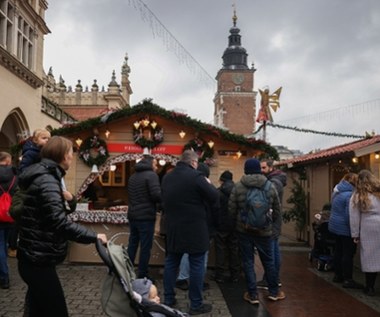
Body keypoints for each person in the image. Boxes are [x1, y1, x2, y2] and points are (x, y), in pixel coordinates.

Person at [16, 136, 107, 317]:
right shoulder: (48, 180)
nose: (72, 157)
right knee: (56, 311)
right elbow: (59, 222)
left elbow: (52, 214)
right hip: (37, 260)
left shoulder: (46, 177)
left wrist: (71, 200)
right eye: (70, 153)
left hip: (34, 257)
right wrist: (93, 236)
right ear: (63, 156)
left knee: (36, 310)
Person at [161, 150, 219, 315]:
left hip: (173, 228)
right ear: (194, 162)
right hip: (195, 230)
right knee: (197, 265)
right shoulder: (196, 177)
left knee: (171, 263)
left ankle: (169, 299)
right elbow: (214, 196)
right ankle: (195, 304)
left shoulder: (167, 177)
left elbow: (163, 201)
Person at [229, 158, 285, 305]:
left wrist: (237, 225)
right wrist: (270, 224)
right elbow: (278, 210)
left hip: (244, 231)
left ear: (246, 170)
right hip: (264, 232)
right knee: (269, 261)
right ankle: (273, 292)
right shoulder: (269, 186)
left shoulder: (239, 186)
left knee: (248, 261)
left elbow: (231, 210)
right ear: (259, 170)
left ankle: (253, 294)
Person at [175, 163, 219, 291]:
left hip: (189, 225)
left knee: (186, 253)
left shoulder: (188, 187)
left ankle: (182, 277)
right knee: (202, 256)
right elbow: (215, 208)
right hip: (205, 227)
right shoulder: (209, 188)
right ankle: (198, 281)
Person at [127, 156, 161, 279]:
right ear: (150, 164)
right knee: (145, 247)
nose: (157, 167)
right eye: (155, 164)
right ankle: (142, 274)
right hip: (146, 216)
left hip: (133, 215)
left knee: (132, 244)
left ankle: (127, 270)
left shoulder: (133, 176)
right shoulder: (151, 176)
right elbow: (156, 195)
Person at [328, 173, 363, 289]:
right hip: (345, 228)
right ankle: (348, 279)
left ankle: (338, 275)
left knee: (338, 251)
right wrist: (354, 230)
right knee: (348, 254)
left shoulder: (337, 191)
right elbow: (350, 215)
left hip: (334, 226)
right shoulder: (350, 195)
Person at [257, 159, 287, 289]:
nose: (261, 170)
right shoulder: (275, 180)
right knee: (273, 251)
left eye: (263, 168)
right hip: (274, 221)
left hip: (272, 222)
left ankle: (272, 280)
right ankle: (271, 279)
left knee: (272, 252)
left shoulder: (274, 182)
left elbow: (267, 200)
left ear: (270, 168)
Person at [350, 169, 380, 296]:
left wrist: (355, 234)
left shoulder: (358, 196)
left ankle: (370, 287)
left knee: (369, 256)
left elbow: (354, 217)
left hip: (367, 226)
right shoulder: (378, 194)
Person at [214, 170, 241, 283]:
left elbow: (214, 208)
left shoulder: (218, 192)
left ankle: (219, 274)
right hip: (234, 224)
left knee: (220, 249)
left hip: (221, 225)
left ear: (221, 180)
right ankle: (235, 274)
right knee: (233, 249)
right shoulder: (237, 191)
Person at [0, 152, 18, 289]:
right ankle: (4, 270)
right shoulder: (15, 175)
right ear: (7, 161)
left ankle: (4, 277)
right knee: (4, 244)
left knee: (0, 245)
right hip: (10, 214)